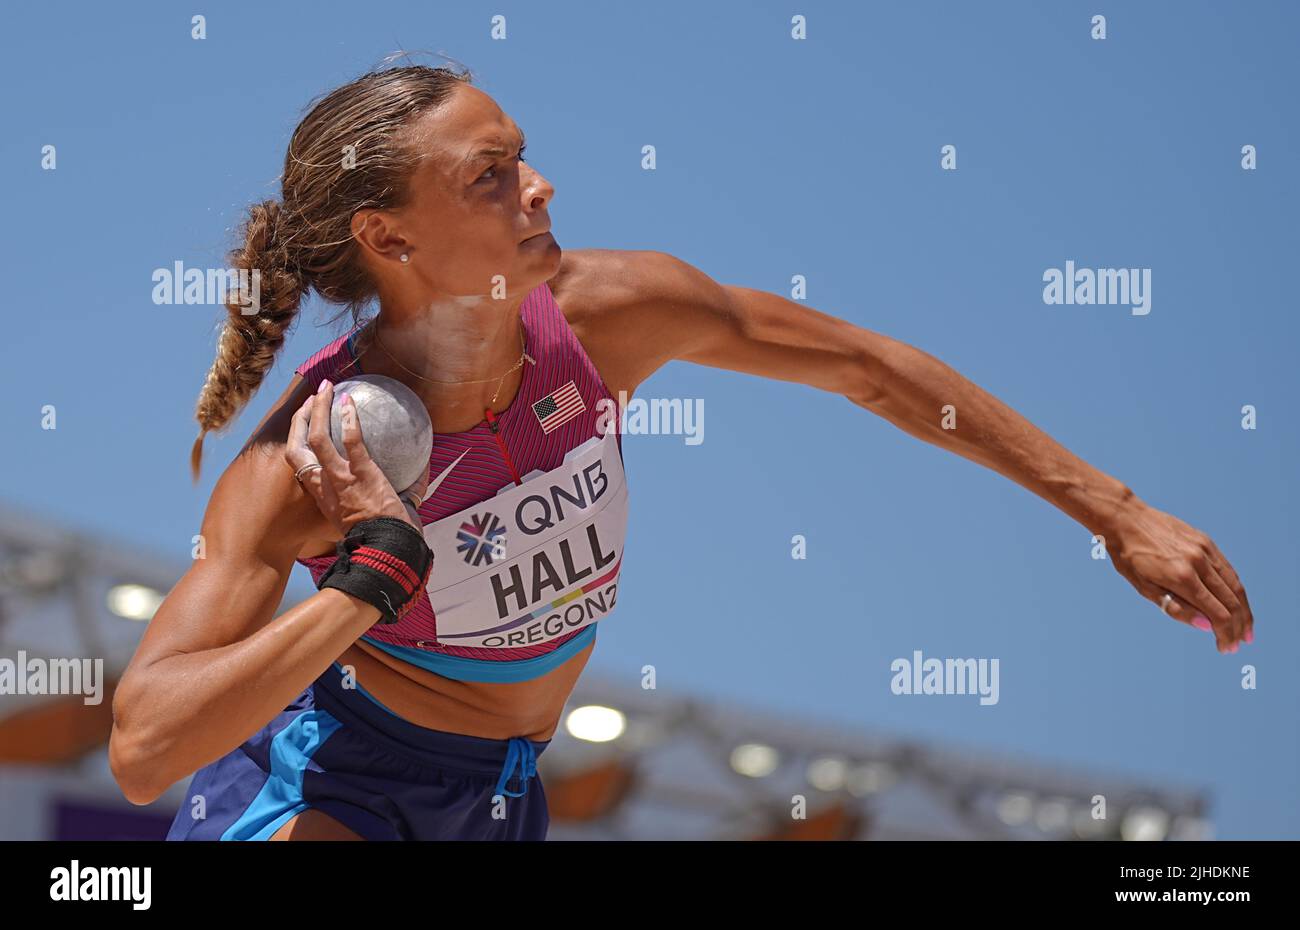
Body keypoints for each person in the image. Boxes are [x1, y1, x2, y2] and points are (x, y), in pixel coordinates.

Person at [107, 64, 1254, 841]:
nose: (538, 185)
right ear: (388, 236)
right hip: (339, 786)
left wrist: (1115, 511)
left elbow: (868, 367)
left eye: (522, 156)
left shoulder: (610, 314)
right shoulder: (307, 455)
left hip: (506, 793)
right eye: (489, 175)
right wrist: (372, 576)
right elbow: (147, 748)